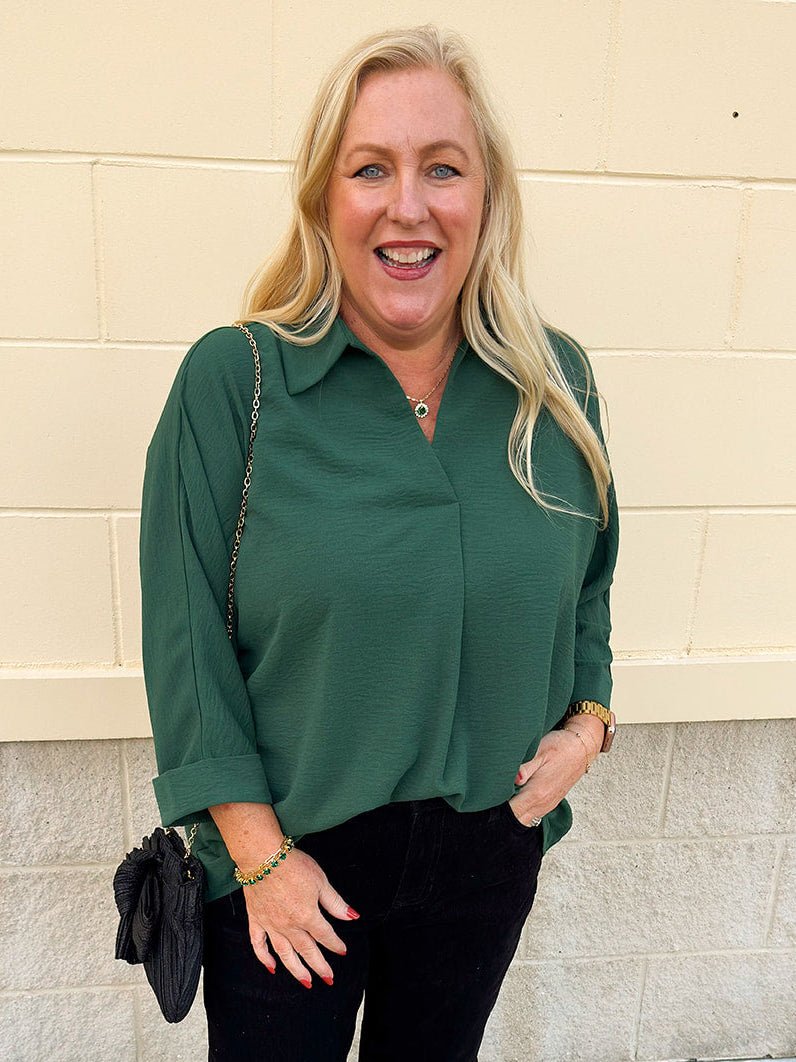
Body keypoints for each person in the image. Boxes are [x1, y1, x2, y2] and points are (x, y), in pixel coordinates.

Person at [139, 23, 619, 1062]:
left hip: (487, 855)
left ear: (485, 194)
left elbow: (587, 588)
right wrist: (260, 857)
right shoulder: (237, 382)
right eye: (370, 169)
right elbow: (186, 644)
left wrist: (587, 723)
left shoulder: (556, 385)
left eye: (442, 167)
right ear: (325, 198)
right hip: (290, 865)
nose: (408, 205)